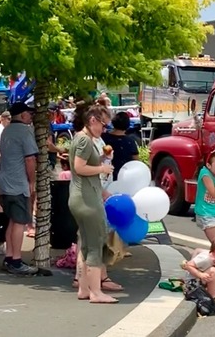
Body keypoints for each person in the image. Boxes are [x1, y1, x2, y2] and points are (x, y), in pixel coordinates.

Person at [68, 103, 118, 304]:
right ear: (92, 121)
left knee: (86, 245)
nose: (104, 130)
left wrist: (102, 158)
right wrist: (102, 169)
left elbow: (82, 163)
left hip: (78, 198)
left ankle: (84, 288)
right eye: (103, 125)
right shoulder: (85, 140)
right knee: (96, 244)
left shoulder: (80, 139)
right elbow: (80, 168)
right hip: (88, 199)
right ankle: (96, 292)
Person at [0, 101, 40, 275]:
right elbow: (30, 159)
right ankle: (15, 260)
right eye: (29, 114)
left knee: (12, 221)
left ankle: (9, 257)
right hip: (18, 184)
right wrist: (32, 181)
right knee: (20, 222)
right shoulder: (25, 131)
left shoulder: (6, 131)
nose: (31, 116)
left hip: (5, 182)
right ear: (23, 115)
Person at [180, 238, 215, 308]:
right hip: (191, 284)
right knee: (213, 271)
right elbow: (188, 265)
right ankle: (212, 298)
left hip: (199, 280)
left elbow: (198, 250)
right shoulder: (205, 259)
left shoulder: (213, 256)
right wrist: (200, 274)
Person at [102, 112, 138, 181]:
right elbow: (135, 160)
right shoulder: (130, 141)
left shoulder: (104, 138)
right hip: (125, 176)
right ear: (127, 125)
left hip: (106, 174)